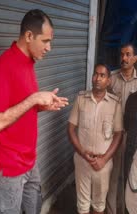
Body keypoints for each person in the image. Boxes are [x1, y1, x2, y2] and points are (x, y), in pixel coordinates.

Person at [0, 9, 68, 214]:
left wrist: (41, 106)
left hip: (29, 161)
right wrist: (34, 99)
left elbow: (20, 106)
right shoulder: (3, 67)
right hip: (9, 166)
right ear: (29, 36)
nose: (49, 47)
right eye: (45, 41)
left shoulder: (28, 62)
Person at [68, 64, 123, 214]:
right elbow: (71, 129)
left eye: (102, 75)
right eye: (95, 74)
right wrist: (82, 152)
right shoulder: (81, 99)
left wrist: (104, 159)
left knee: (99, 205)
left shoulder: (114, 103)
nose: (97, 78)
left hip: (103, 164)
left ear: (108, 80)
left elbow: (118, 134)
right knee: (82, 204)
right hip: (82, 160)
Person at [107, 43, 137, 214]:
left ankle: (127, 209)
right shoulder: (111, 79)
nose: (124, 58)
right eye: (122, 54)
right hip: (114, 134)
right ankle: (112, 211)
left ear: (135, 58)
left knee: (130, 175)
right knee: (113, 175)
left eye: (128, 55)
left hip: (133, 136)